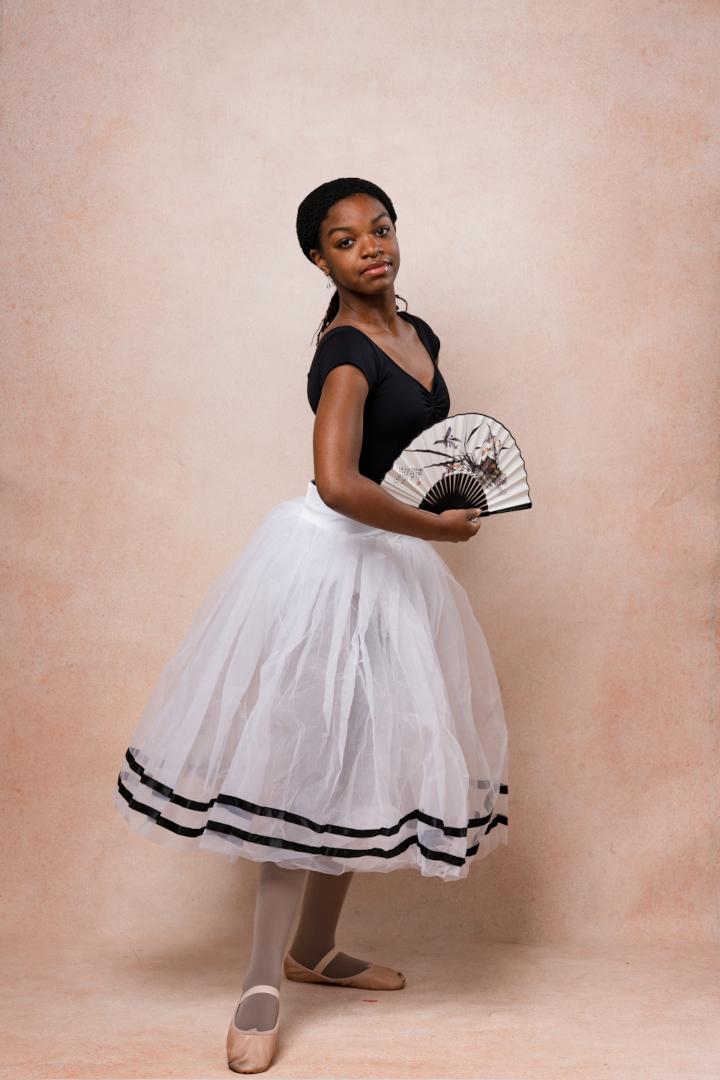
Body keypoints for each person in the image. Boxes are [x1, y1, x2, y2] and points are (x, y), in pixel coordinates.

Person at [112, 177, 510, 1074]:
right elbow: (338, 483)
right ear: (317, 259)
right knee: (299, 769)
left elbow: (411, 458)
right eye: (344, 239)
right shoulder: (343, 353)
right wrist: (441, 529)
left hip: (392, 566)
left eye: (381, 228)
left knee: (363, 759)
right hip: (330, 562)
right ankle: (261, 980)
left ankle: (315, 950)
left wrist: (440, 508)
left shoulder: (418, 335)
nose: (371, 246)